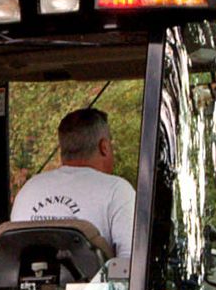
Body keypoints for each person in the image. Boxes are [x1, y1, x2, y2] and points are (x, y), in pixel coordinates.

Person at [10, 107, 136, 269]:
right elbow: (131, 267)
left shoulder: (28, 190)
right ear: (104, 147)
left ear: (62, 150)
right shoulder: (118, 191)